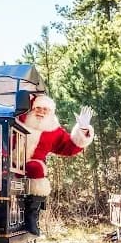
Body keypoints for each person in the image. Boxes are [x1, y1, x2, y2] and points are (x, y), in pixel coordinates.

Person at [16, 94, 94, 235]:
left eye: (45, 110)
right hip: (8, 160)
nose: (41, 112)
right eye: (38, 108)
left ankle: (31, 216)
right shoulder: (17, 120)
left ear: (50, 112)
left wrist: (82, 130)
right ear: (31, 108)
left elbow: (68, 146)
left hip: (31, 165)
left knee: (37, 168)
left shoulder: (52, 130)